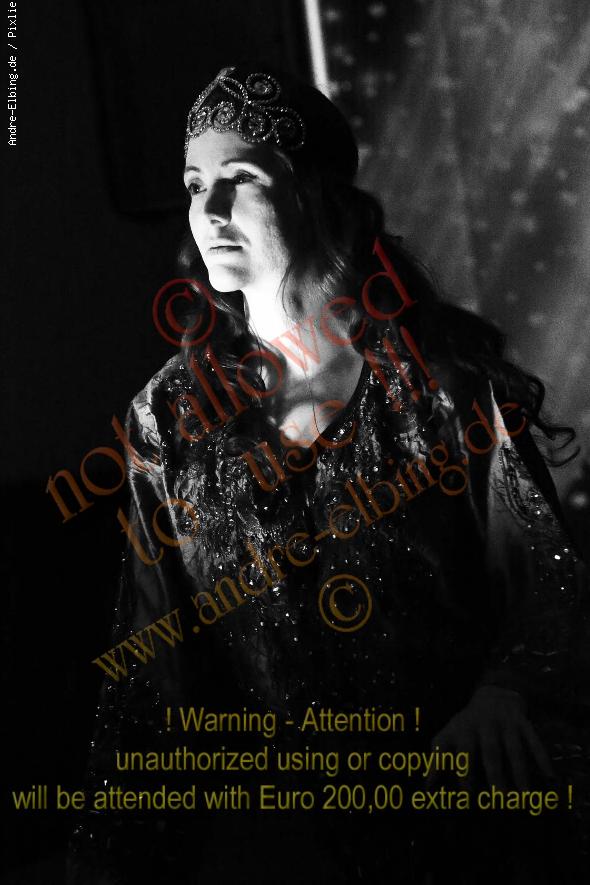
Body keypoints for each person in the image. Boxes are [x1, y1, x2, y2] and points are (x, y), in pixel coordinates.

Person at [68, 64, 590, 884]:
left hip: (457, 800)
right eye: (196, 185)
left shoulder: (438, 382)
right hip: (290, 832)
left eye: (240, 179)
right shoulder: (168, 418)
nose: (209, 210)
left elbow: (546, 578)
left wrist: (506, 691)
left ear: (313, 193)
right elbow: (153, 660)